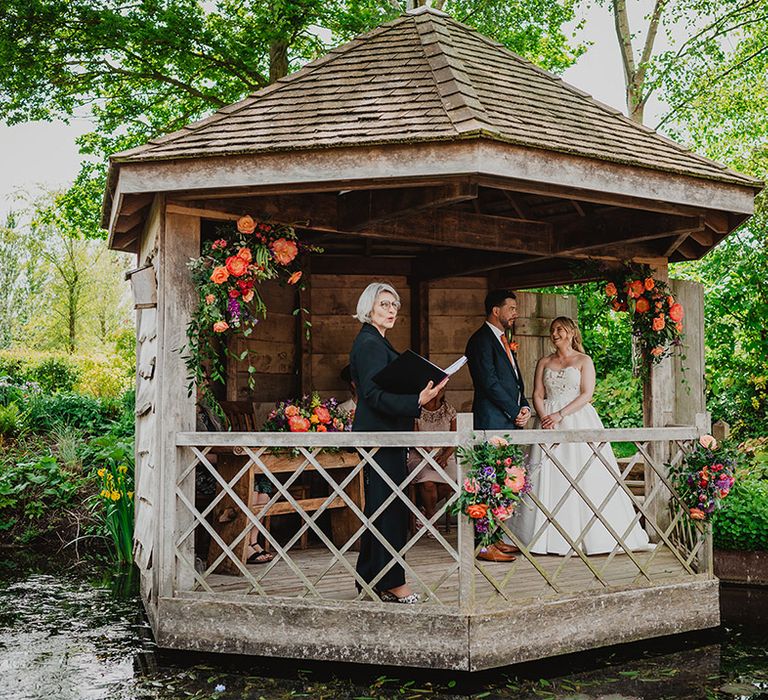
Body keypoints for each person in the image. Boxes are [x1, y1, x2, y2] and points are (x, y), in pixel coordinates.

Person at [513, 317, 652, 555]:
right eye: (552, 330)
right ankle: (541, 537)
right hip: (547, 420)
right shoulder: (544, 361)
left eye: (559, 329)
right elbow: (537, 393)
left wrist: (560, 415)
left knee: (584, 473)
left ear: (570, 332)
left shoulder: (583, 360)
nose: (554, 334)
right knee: (546, 474)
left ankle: (592, 535)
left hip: (575, 417)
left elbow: (587, 393)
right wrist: (546, 417)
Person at [350, 282, 448, 604]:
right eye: (384, 304)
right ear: (369, 307)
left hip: (389, 435)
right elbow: (373, 395)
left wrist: (419, 393)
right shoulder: (368, 343)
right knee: (387, 510)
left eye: (394, 305)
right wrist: (416, 400)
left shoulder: (379, 341)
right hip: (380, 436)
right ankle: (392, 582)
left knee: (382, 507)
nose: (391, 310)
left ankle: (369, 578)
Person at [465, 289, 531, 562]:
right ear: (496, 310)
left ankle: (495, 537)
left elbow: (513, 381)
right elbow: (489, 383)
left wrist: (524, 405)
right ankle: (483, 544)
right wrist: (514, 410)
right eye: (511, 308)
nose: (515, 313)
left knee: (504, 480)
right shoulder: (480, 341)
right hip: (492, 420)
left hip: (508, 419)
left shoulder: (504, 340)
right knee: (487, 480)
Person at [408, 388, 457, 532]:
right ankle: (431, 520)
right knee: (428, 484)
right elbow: (415, 439)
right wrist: (430, 457)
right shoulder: (416, 410)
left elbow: (455, 438)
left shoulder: (449, 410)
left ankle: (425, 512)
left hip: (444, 455)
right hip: (420, 455)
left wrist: (444, 456)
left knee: (450, 483)